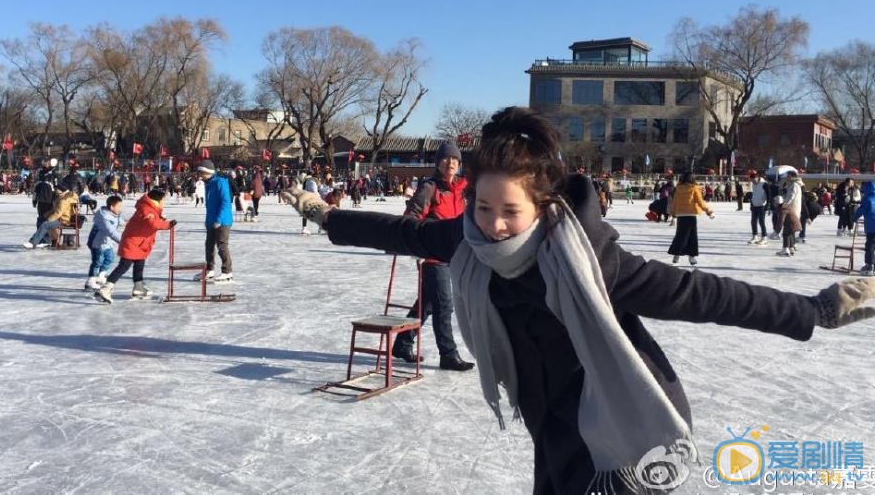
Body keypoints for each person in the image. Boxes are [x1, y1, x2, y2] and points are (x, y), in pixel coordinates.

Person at [282, 106, 875, 495]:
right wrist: (327, 215)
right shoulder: (465, 241)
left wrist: (814, 310)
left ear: (541, 208)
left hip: (619, 425)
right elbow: (401, 233)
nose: (491, 225)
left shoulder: (591, 262)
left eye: (509, 211)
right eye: (483, 209)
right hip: (551, 425)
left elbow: (704, 295)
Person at [392, 142, 475, 372]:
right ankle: (448, 355)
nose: (451, 163)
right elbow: (411, 217)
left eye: (455, 160)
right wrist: (418, 247)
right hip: (432, 255)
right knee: (444, 305)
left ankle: (402, 343)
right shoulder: (430, 188)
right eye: (446, 159)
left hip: (453, 255)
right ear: (438, 162)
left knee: (427, 304)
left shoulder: (462, 188)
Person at [94, 187, 175, 303]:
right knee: (124, 266)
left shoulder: (149, 208)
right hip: (133, 243)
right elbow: (152, 223)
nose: (164, 202)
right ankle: (106, 288)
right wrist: (167, 224)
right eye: (163, 199)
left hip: (139, 243)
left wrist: (161, 219)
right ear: (156, 200)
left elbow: (149, 221)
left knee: (139, 263)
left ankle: (138, 287)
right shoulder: (147, 209)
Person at [197, 159, 234, 282]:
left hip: (222, 221)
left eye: (202, 173)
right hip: (211, 221)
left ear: (208, 172)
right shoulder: (208, 184)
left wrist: (219, 219)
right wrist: (208, 220)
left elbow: (225, 202)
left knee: (222, 245)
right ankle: (209, 270)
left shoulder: (220, 182)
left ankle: (227, 271)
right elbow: (210, 205)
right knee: (209, 245)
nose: (200, 176)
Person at [668, 172, 714, 267]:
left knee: (680, 235)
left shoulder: (678, 188)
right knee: (692, 237)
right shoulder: (694, 188)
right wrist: (708, 211)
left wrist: (673, 214)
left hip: (680, 214)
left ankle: (676, 255)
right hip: (691, 214)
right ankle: (691, 257)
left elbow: (674, 202)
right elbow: (700, 202)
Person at [84, 195, 124, 291]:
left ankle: (101, 277)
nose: (120, 209)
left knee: (109, 259)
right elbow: (111, 232)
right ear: (111, 207)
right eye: (119, 206)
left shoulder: (114, 214)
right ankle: (91, 281)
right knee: (98, 261)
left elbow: (120, 221)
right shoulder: (104, 217)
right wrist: (123, 242)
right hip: (97, 243)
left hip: (106, 242)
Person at [777, 171, 803, 257]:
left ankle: (786, 249)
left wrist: (784, 204)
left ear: (792, 176)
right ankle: (791, 247)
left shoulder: (794, 185)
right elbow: (787, 195)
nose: (786, 178)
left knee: (787, 231)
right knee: (791, 231)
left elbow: (791, 197)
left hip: (792, 210)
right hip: (792, 210)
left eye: (788, 176)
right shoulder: (790, 184)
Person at [853, 182, 875, 275]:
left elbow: (861, 210)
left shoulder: (867, 199)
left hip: (872, 226)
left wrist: (854, 218)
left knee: (869, 245)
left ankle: (869, 265)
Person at [747, 172, 770, 245]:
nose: (752, 182)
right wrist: (751, 204)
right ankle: (755, 236)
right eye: (751, 180)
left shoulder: (764, 184)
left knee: (761, 222)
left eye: (753, 180)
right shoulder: (754, 185)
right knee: (753, 221)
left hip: (762, 205)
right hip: (754, 205)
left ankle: (764, 237)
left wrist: (768, 205)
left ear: (757, 177)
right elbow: (754, 195)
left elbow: (769, 195)